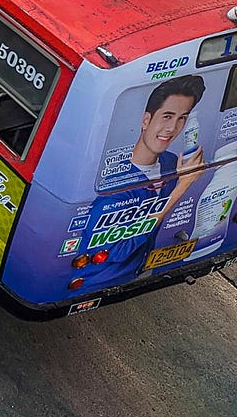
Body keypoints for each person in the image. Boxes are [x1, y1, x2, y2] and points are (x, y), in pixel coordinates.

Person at [80, 76, 208, 289]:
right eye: (167, 116)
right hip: (98, 281)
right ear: (146, 120)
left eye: (181, 118)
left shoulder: (170, 163)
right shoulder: (116, 181)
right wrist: (182, 186)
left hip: (138, 271)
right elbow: (117, 250)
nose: (172, 128)